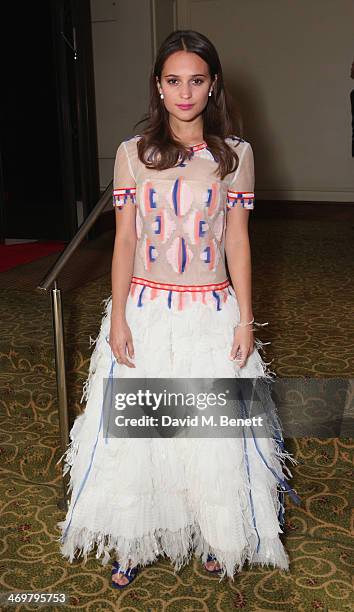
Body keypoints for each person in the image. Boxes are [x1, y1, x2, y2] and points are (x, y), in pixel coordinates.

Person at [56, 29, 300, 589]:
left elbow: (238, 241)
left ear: (213, 85)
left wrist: (244, 317)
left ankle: (216, 533)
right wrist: (118, 317)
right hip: (146, 309)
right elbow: (122, 242)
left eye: (196, 80)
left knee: (208, 435)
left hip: (212, 313)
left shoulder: (235, 156)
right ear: (158, 87)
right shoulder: (131, 155)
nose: (184, 92)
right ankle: (136, 537)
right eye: (173, 81)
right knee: (141, 434)